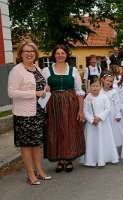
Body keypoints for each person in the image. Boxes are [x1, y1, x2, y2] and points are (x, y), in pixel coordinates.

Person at [8, 41, 51, 185]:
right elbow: (11, 92)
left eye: (32, 51)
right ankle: (30, 174)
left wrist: (45, 88)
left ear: (35, 54)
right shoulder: (17, 70)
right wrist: (34, 93)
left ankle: (39, 170)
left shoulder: (36, 68)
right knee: (26, 144)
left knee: (37, 143)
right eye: (26, 51)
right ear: (20, 53)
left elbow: (40, 85)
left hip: (38, 112)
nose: (29, 53)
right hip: (24, 114)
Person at [42, 44, 85, 173]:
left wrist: (81, 110)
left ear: (66, 55)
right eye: (57, 53)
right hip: (53, 104)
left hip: (71, 103)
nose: (60, 55)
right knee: (56, 131)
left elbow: (79, 91)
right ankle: (60, 159)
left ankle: (69, 158)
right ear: (54, 55)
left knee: (69, 129)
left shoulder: (73, 70)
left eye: (63, 53)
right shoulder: (46, 71)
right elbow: (43, 89)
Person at [81, 77, 119, 167]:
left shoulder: (104, 97)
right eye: (93, 86)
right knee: (92, 141)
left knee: (103, 140)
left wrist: (100, 117)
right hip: (91, 124)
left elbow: (108, 108)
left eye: (97, 86)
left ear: (100, 86)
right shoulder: (88, 98)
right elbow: (85, 110)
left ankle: (105, 157)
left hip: (103, 123)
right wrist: (91, 119)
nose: (95, 88)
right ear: (90, 87)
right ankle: (92, 159)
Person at [101, 73, 123, 148]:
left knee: (112, 130)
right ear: (103, 80)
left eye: (111, 81)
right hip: (102, 113)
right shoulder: (100, 91)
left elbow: (117, 103)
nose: (108, 83)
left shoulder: (114, 92)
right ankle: (104, 145)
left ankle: (112, 146)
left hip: (112, 114)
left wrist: (118, 114)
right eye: (107, 80)